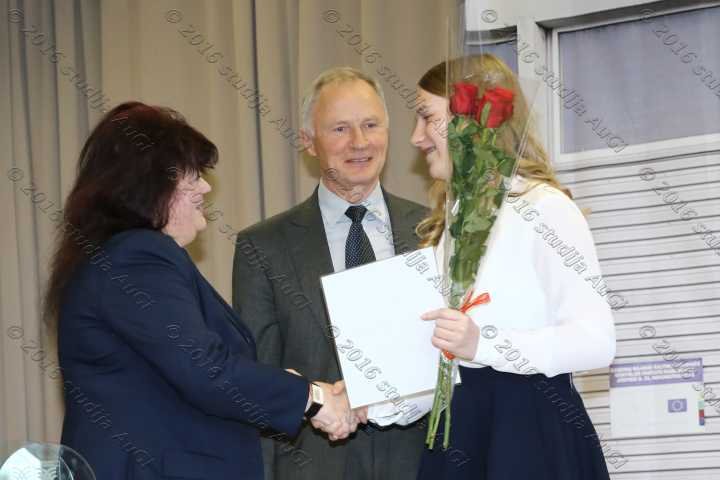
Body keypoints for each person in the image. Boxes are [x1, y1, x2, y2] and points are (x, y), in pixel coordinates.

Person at [44, 102, 358, 480]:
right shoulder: (136, 257)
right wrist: (311, 399)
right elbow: (205, 369)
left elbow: (177, 374)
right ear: (148, 181)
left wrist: (290, 385)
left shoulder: (121, 256)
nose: (205, 187)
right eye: (191, 174)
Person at [375, 54, 617, 479]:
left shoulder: (544, 208)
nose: (415, 137)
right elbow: (444, 363)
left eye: (427, 117)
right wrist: (372, 399)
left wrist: (483, 344)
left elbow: (596, 341)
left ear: (474, 119)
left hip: (531, 435)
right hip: (461, 434)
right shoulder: (447, 227)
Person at [232, 67, 428, 480]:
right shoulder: (262, 247)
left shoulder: (433, 230)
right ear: (308, 140)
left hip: (425, 464)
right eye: (340, 128)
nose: (359, 142)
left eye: (371, 125)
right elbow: (261, 383)